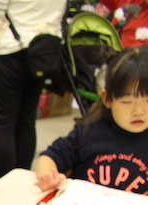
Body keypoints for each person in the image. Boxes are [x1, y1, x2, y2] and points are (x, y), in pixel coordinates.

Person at [34, 45, 148, 193]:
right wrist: (49, 177)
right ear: (107, 99)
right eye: (127, 102)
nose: (138, 111)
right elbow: (50, 157)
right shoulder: (90, 131)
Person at [0, 0, 65, 180]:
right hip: (43, 50)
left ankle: (4, 185)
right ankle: (21, 182)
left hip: (10, 50)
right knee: (26, 120)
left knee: (2, 125)